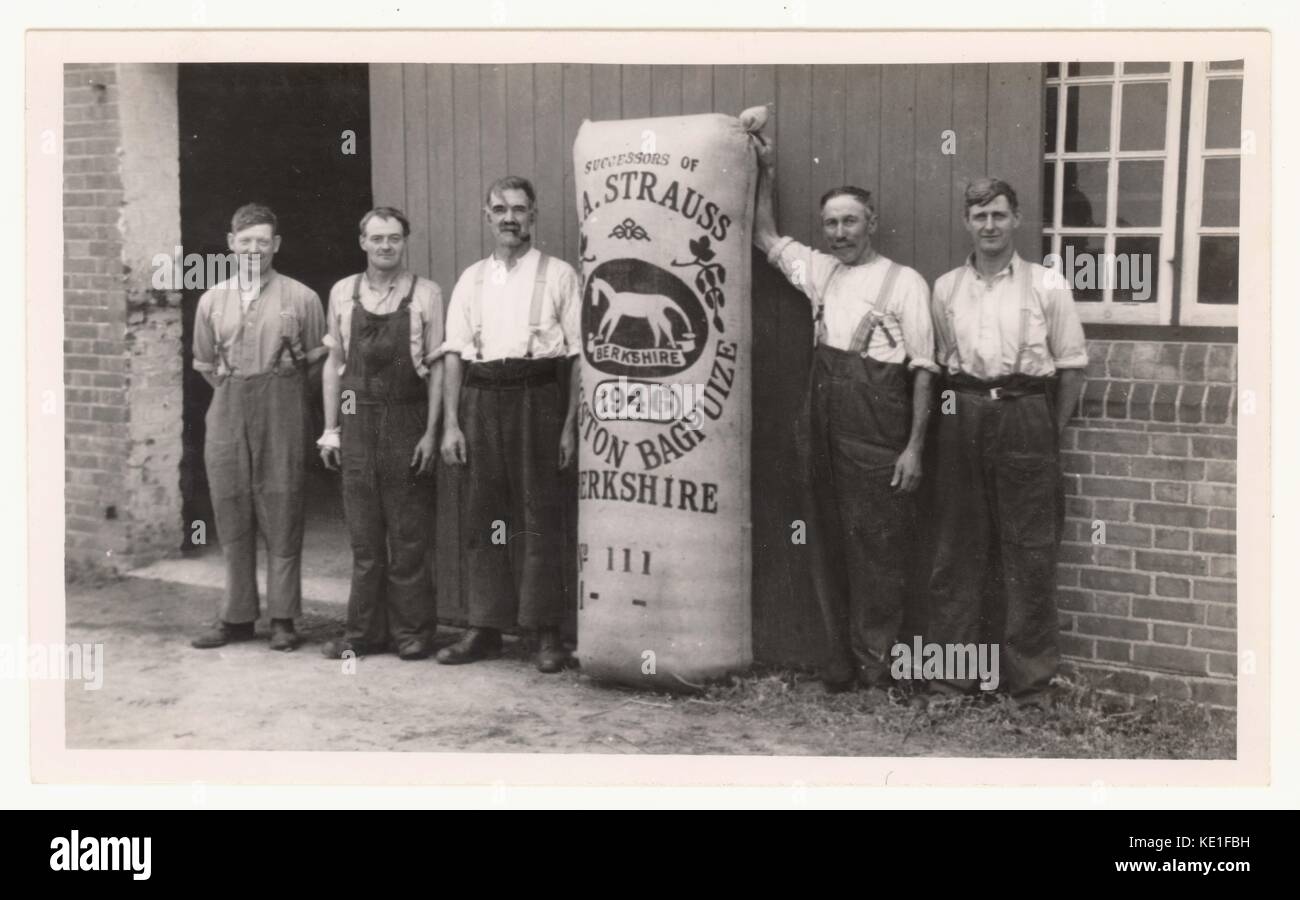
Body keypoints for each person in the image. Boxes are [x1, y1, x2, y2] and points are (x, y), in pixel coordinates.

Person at [750, 133, 939, 695]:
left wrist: (913, 448)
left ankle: (878, 664)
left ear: (871, 222)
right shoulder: (820, 271)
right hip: (822, 423)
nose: (839, 234)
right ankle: (839, 661)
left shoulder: (904, 282)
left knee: (877, 547)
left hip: (878, 426)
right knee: (825, 540)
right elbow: (763, 235)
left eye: (850, 222)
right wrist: (764, 166)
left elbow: (926, 369)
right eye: (830, 224)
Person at [926, 177, 1088, 708]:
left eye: (998, 215)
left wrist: (1047, 432)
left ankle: (1030, 688)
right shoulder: (946, 287)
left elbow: (1071, 367)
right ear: (967, 223)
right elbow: (944, 362)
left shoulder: (1047, 284)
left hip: (1026, 415)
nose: (989, 226)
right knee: (956, 552)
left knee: (1030, 554)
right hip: (964, 413)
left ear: (1016, 219)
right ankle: (952, 682)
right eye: (979, 217)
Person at [437, 176, 581, 673]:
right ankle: (486, 626)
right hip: (481, 401)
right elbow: (454, 354)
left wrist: (569, 426)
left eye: (519, 209)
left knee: (539, 514)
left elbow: (581, 358)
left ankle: (545, 632)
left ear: (533, 215)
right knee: (486, 517)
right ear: (487, 215)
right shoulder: (471, 279)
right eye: (499, 209)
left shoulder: (559, 275)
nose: (509, 218)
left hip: (537, 398)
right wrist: (452, 425)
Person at [191, 203, 326, 651]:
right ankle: (236, 617)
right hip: (227, 403)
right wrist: (238, 389)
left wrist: (276, 389)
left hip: (282, 404)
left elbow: (314, 362)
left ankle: (284, 617)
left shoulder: (302, 297)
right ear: (231, 243)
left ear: (276, 245)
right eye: (245, 241)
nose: (254, 249)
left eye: (263, 241)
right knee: (230, 504)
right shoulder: (211, 300)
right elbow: (206, 363)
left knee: (282, 503)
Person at [316, 207, 445, 661]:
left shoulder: (426, 293)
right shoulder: (342, 293)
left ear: (404, 242)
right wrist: (331, 430)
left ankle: (412, 634)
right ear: (362, 242)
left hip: (406, 419)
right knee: (365, 538)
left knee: (409, 535)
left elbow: (437, 369)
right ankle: (362, 634)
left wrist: (432, 433)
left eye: (394, 238)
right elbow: (334, 365)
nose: (385, 246)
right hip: (356, 421)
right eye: (377, 238)